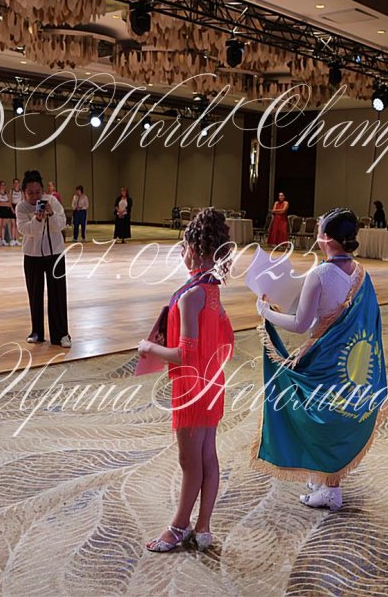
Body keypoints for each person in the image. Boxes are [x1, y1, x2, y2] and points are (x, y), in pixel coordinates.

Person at [254, 208, 388, 511]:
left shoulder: (320, 274)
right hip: (349, 363)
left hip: (324, 361)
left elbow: (300, 325)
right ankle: (325, 478)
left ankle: (331, 490)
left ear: (326, 238)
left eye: (319, 231)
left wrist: (266, 313)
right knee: (334, 419)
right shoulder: (361, 272)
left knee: (318, 420)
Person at [137, 208, 234, 552]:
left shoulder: (192, 295)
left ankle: (178, 528)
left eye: (182, 246)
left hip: (192, 388)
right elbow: (226, 341)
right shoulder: (212, 291)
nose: (180, 252)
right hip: (212, 382)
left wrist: (149, 347)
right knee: (208, 457)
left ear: (194, 248)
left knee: (190, 462)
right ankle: (203, 528)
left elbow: (185, 355)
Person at [16, 169, 71, 348]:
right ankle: (37, 332)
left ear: (43, 190)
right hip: (32, 255)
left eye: (38, 192)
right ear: (24, 193)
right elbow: (24, 230)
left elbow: (60, 225)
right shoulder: (21, 207)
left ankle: (61, 334)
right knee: (35, 294)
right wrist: (37, 220)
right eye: (30, 193)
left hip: (55, 254)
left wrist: (51, 214)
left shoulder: (52, 201)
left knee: (58, 294)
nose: (34, 197)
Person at [0, 180, 14, 246]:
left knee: (4, 225)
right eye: (1, 185)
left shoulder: (7, 194)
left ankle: (3, 239)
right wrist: (5, 203)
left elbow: (9, 203)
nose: (3, 186)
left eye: (4, 185)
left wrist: (2, 203)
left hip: (5, 210)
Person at [9, 178, 22, 246]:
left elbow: (23, 200)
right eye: (15, 183)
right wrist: (12, 209)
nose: (16, 184)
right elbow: (9, 201)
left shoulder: (21, 191)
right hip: (13, 207)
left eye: (17, 183)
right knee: (13, 224)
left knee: (17, 224)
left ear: (19, 184)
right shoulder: (11, 191)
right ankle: (12, 239)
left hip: (19, 207)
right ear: (13, 184)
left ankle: (16, 239)